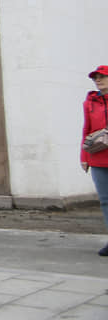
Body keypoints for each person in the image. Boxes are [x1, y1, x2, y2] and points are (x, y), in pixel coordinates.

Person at [81, 65, 108, 256]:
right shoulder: (90, 102)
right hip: (98, 157)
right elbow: (86, 130)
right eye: (95, 78)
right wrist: (84, 157)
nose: (98, 80)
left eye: (102, 77)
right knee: (106, 201)